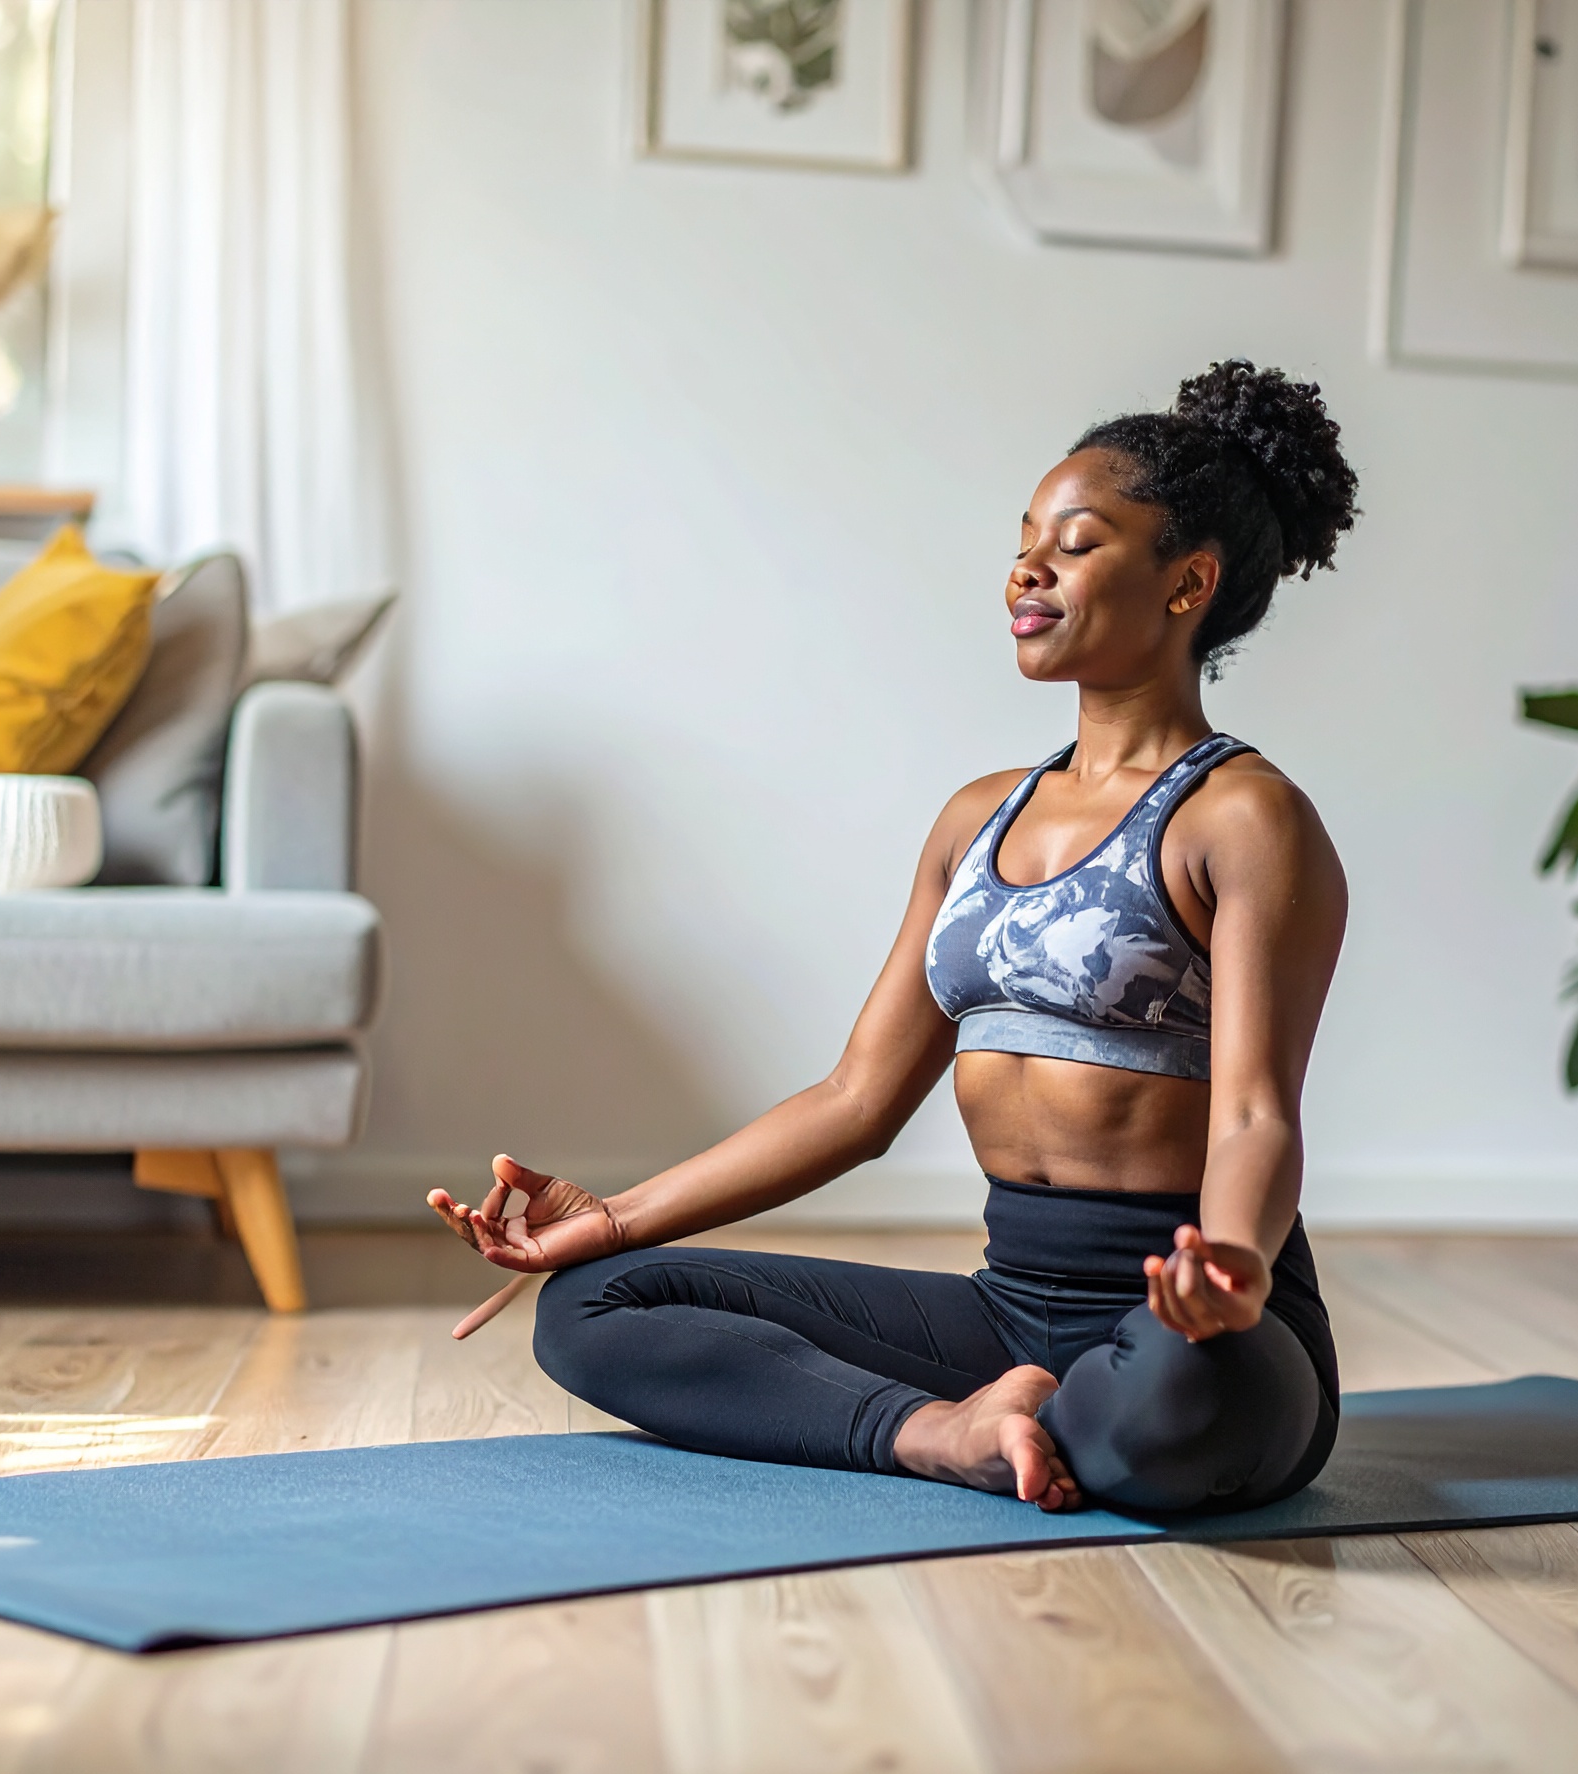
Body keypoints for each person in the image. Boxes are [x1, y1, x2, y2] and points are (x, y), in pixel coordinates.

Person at [430, 359, 1357, 1514]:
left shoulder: (1243, 817)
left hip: (1196, 1322)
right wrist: (613, 1219)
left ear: (1189, 582)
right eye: (1024, 542)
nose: (1027, 568)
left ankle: (1068, 1417)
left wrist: (1234, 1268)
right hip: (1006, 1309)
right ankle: (941, 1432)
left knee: (1170, 1404)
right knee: (591, 1303)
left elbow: (1258, 1112)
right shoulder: (978, 817)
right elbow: (856, 1100)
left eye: (1075, 544)